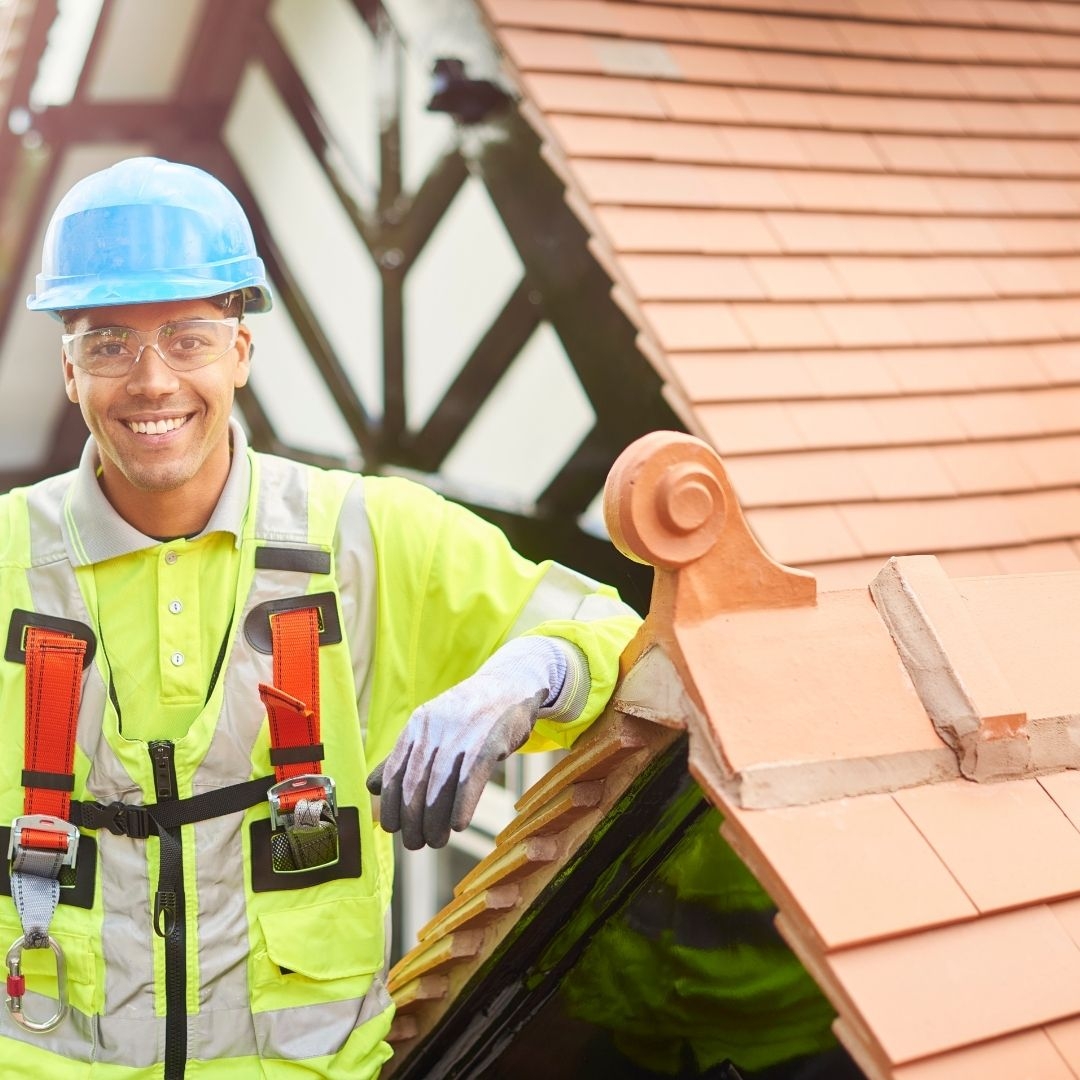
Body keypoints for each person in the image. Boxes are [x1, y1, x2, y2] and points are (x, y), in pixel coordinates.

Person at [0, 156, 640, 1078]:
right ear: (69, 370)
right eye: (108, 344)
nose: (151, 381)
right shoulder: (9, 561)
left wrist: (525, 674)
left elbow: (614, 633)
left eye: (187, 338)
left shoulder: (367, 538)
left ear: (240, 351)